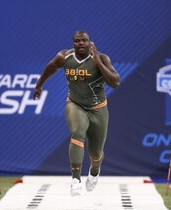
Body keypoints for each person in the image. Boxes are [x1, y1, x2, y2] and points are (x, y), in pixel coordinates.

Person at [34, 31, 120, 196]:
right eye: (77, 41)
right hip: (75, 104)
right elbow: (51, 67)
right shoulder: (64, 56)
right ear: (73, 43)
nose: (81, 43)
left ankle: (94, 171)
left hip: (98, 109)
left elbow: (115, 82)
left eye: (84, 41)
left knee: (96, 153)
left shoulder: (102, 58)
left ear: (90, 42)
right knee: (77, 133)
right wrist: (39, 85)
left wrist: (98, 63)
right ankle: (75, 180)